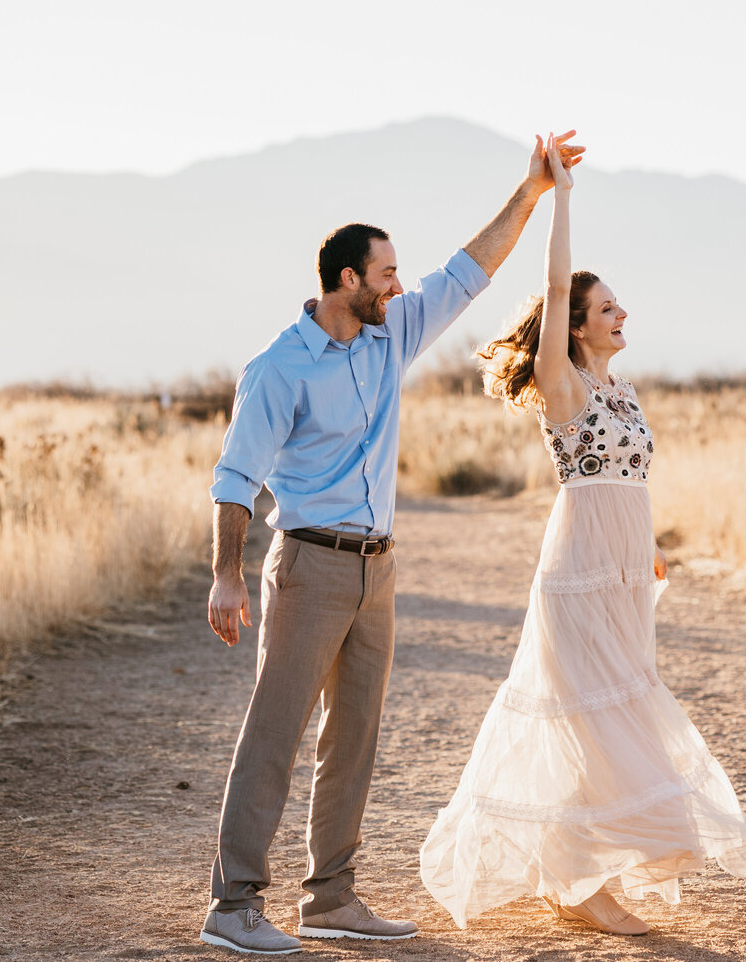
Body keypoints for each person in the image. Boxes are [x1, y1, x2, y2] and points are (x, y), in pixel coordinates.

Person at [200, 133, 586, 955]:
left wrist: (531, 193)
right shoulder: (279, 368)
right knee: (276, 732)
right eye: (385, 274)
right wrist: (226, 577)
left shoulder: (391, 334)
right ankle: (231, 905)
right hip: (306, 564)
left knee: (357, 734)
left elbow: (468, 271)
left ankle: (330, 897)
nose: (399, 285)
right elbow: (235, 479)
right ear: (349, 281)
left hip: (378, 568)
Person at [419, 135, 746, 935]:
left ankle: (575, 873)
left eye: (620, 305)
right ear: (575, 327)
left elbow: (632, 482)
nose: (622, 314)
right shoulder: (565, 384)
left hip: (623, 570)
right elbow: (553, 282)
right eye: (608, 307)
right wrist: (561, 198)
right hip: (578, 567)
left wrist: (647, 549)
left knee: (610, 710)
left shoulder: (624, 389)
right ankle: (578, 879)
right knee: (588, 715)